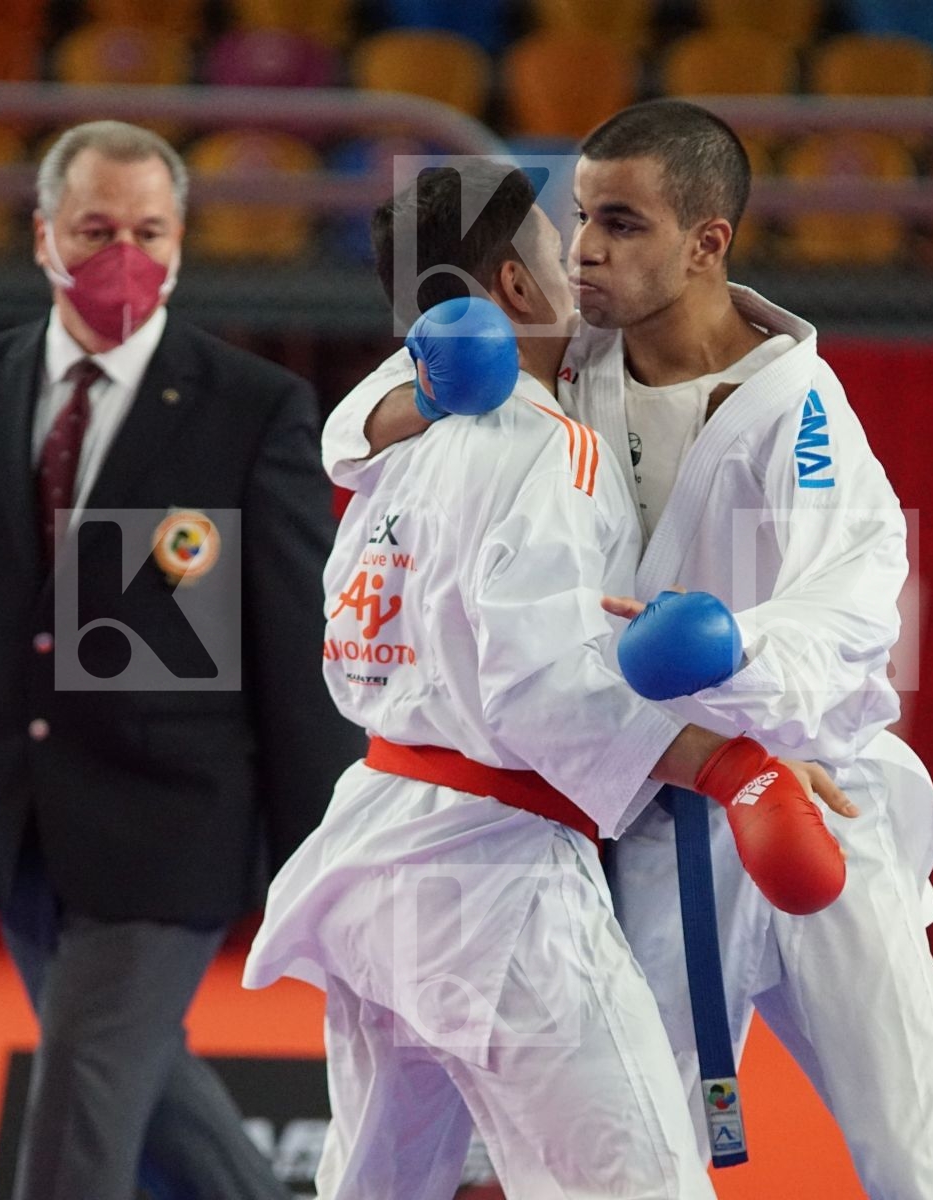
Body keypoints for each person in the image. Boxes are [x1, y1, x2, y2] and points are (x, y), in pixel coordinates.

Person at [327, 101, 933, 1199]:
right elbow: (352, 438)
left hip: (807, 796)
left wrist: (732, 646)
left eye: (623, 223)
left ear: (707, 241)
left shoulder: (796, 406)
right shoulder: (562, 353)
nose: (585, 248)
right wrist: (421, 388)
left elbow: (855, 603)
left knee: (919, 1129)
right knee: (631, 1137)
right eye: (580, 217)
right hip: (641, 809)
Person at [245, 162, 855, 1200]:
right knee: (637, 1186)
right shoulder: (549, 449)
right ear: (516, 291)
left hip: (372, 853)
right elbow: (540, 690)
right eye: (554, 251)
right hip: (494, 885)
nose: (580, 268)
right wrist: (734, 766)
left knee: (377, 1186)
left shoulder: (398, 442)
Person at [0, 120, 360, 1200]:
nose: (123, 252)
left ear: (181, 244)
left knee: (81, 1089)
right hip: (11, 816)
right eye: (95, 228)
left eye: (148, 229)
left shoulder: (253, 408)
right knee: (144, 1082)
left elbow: (293, 650)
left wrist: (327, 855)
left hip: (175, 824)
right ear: (42, 239)